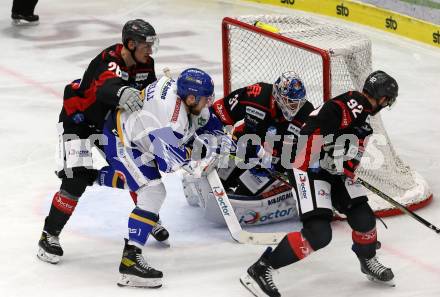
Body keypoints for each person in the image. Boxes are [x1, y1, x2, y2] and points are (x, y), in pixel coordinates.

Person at [240, 70, 399, 297]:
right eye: (387, 101)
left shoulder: (363, 119)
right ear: (383, 99)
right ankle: (262, 268)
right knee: (319, 234)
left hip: (330, 171)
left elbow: (351, 156)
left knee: (364, 218)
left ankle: (368, 260)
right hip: (306, 168)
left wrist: (345, 166)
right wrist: (325, 149)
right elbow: (314, 129)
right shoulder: (352, 103)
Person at [37, 19, 161, 264]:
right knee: (75, 181)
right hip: (79, 123)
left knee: (139, 166)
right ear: (130, 43)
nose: (150, 50)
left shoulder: (146, 63)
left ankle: (147, 214)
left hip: (109, 124)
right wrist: (122, 92)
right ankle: (48, 235)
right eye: (146, 45)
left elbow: (150, 95)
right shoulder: (108, 60)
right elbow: (106, 87)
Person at [102, 68, 222, 288]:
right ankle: (129, 262)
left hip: (138, 132)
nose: (208, 102)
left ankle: (95, 176)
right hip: (122, 139)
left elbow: (205, 118)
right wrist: (200, 153)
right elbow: (168, 164)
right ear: (191, 97)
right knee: (153, 191)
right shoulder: (174, 119)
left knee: (140, 182)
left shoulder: (178, 90)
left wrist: (220, 136)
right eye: (205, 98)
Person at [182, 72, 314, 226]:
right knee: (219, 178)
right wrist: (218, 140)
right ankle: (194, 183)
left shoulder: (307, 113)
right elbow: (218, 112)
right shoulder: (256, 94)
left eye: (297, 102)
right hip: (242, 148)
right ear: (277, 96)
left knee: (243, 195)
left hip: (271, 166)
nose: (294, 107)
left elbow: (310, 151)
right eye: (289, 101)